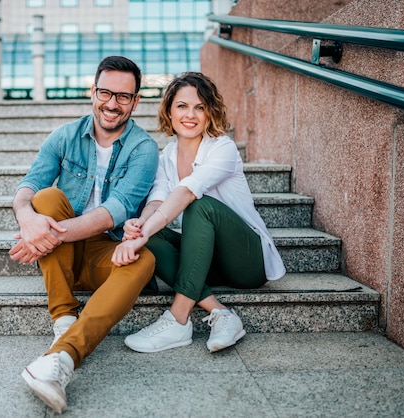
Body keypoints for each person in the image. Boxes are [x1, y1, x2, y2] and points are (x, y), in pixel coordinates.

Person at [9, 56, 159, 414]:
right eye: (105, 92)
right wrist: (28, 219)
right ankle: (64, 319)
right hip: (60, 255)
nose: (112, 103)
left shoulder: (144, 149)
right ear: (92, 91)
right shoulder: (65, 135)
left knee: (145, 259)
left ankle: (63, 357)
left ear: (136, 101)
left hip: (99, 253)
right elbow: (29, 186)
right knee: (46, 198)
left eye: (123, 96)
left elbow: (116, 210)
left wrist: (48, 235)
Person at [111, 72, 286, 354]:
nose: (190, 114)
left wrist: (145, 230)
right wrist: (138, 227)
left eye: (199, 107)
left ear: (209, 112)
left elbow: (186, 193)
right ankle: (221, 314)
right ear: (169, 110)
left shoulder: (222, 148)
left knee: (198, 205)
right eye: (182, 106)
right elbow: (157, 202)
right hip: (206, 260)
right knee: (150, 237)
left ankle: (178, 319)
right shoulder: (165, 157)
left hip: (246, 261)